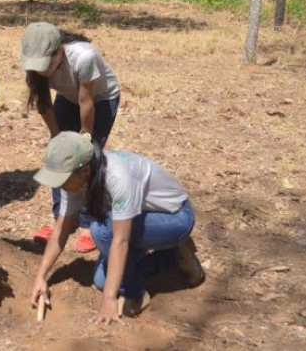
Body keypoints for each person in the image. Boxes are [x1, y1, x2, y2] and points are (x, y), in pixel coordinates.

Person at [30, 132, 204, 324]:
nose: (60, 186)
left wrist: (109, 299)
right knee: (101, 281)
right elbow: (61, 229)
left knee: (101, 231)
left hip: (176, 218)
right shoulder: (75, 179)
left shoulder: (118, 176)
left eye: (62, 179)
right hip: (137, 219)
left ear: (85, 171)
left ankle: (136, 292)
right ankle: (173, 256)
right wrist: (41, 277)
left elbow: (120, 240)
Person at [21, 21, 120, 253]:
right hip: (68, 97)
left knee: (88, 156)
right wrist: (57, 136)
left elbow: (87, 101)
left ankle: (87, 222)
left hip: (100, 99)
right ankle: (62, 217)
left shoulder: (84, 57)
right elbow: (44, 103)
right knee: (58, 155)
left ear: (59, 50)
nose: (41, 70)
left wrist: (84, 136)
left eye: (45, 64)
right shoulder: (35, 63)